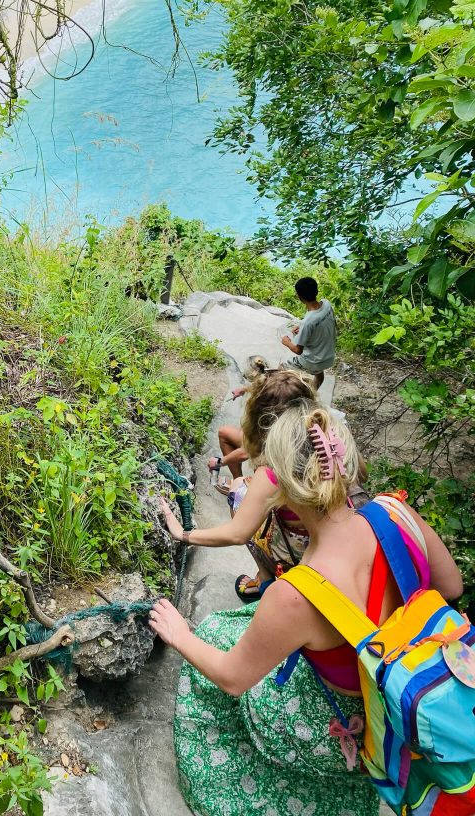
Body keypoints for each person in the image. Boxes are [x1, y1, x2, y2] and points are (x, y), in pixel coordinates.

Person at [150, 403, 463, 816]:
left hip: (346, 726)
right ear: (348, 463)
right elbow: (451, 586)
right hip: (411, 693)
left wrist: (179, 635)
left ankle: (257, 788)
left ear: (281, 488)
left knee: (213, 637)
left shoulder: (297, 594)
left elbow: (232, 679)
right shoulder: (395, 511)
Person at [163, 370, 322, 601]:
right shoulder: (328, 439)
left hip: (301, 550)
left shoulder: (273, 471)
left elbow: (237, 534)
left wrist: (183, 534)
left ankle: (266, 578)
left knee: (238, 492)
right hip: (328, 542)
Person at [281, 276, 337, 389]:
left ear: (299, 297)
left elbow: (298, 350)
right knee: (318, 373)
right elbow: (325, 323)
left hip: (313, 361)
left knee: (282, 368)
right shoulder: (327, 304)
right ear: (316, 291)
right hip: (328, 357)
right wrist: (302, 328)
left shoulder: (308, 322)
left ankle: (286, 393)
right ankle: (314, 392)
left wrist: (286, 342)